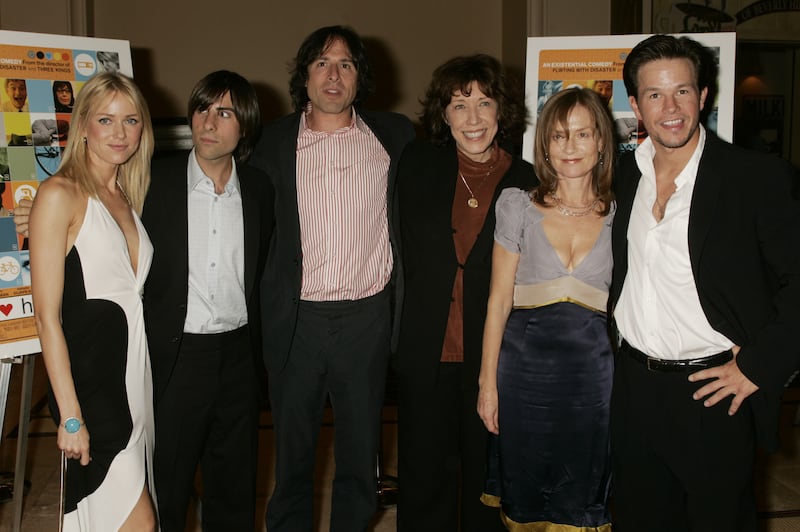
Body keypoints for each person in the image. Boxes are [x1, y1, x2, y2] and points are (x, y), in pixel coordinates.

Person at [610, 34, 800, 531]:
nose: (670, 108)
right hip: (632, 388)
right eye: (654, 95)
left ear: (704, 97)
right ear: (635, 104)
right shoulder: (622, 175)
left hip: (711, 393)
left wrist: (760, 365)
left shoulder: (755, 177)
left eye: (683, 92)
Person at [249, 25, 415, 532]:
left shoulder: (395, 136)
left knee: (360, 455)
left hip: (366, 316)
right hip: (297, 319)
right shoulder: (273, 141)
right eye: (322, 63)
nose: (333, 74)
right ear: (305, 75)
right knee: (292, 455)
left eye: (345, 64)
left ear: (360, 76)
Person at [394, 54, 534, 532]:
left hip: (494, 357)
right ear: (444, 114)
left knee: (486, 478)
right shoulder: (416, 164)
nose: (472, 119)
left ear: (502, 111)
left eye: (484, 103)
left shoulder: (530, 181)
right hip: (424, 350)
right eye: (459, 105)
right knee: (423, 476)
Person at [478, 87, 615, 530]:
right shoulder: (518, 205)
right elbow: (498, 300)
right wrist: (487, 384)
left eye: (582, 134)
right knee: (526, 490)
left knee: (585, 490)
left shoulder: (622, 211)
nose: (570, 147)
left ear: (601, 143)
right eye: (558, 136)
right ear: (545, 146)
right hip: (522, 375)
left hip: (593, 379)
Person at [143, 70, 273, 531]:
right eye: (202, 108)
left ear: (246, 126)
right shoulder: (153, 179)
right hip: (177, 356)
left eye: (224, 112)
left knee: (235, 488)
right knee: (168, 487)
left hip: (238, 356)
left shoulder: (258, 190)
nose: (208, 122)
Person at [28, 72, 156, 530]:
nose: (120, 133)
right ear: (82, 125)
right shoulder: (59, 194)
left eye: (132, 120)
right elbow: (47, 318)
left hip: (134, 385)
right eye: (106, 119)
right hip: (93, 396)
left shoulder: (126, 195)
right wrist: (70, 416)